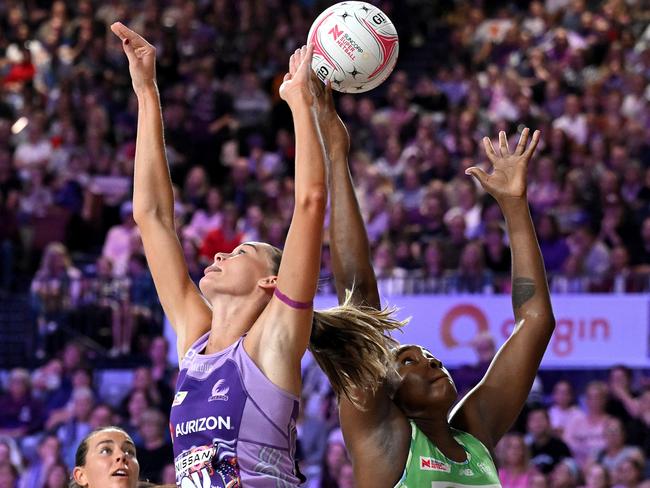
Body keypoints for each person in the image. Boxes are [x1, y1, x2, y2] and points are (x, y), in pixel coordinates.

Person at [110, 22, 336, 487]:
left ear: (271, 282)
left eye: (240, 251)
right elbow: (151, 216)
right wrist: (147, 91)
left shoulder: (272, 343)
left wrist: (300, 104)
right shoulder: (196, 340)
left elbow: (311, 201)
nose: (217, 257)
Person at [318, 102, 554, 486]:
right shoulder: (385, 441)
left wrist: (514, 207)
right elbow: (358, 299)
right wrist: (337, 155)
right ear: (386, 393)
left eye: (429, 357)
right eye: (409, 362)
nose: (431, 362)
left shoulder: (475, 436)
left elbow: (537, 322)